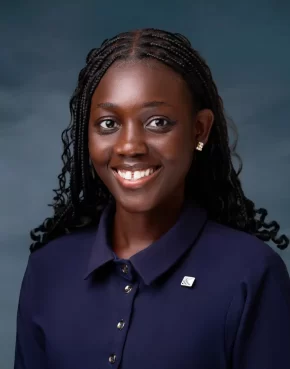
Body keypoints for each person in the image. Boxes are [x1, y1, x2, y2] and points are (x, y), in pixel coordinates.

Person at [14, 28, 290, 369]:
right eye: (108, 123)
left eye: (157, 122)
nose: (130, 146)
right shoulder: (48, 270)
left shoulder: (251, 274)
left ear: (199, 130)